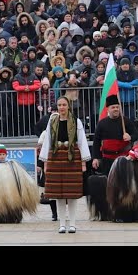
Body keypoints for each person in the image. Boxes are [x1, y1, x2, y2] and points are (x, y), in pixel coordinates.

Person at [39, 96, 91, 233]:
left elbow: (81, 141)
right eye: (59, 105)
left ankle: (72, 224)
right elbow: (47, 141)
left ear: (68, 106)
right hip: (56, 158)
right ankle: (62, 224)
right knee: (59, 194)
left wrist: (83, 163)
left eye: (64, 105)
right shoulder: (52, 121)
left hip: (71, 157)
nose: (61, 107)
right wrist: (45, 162)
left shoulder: (76, 121)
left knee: (72, 193)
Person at [0, 144, 38, 223]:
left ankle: (14, 217)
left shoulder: (12, 165)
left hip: (11, 192)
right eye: (0, 154)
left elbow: (22, 176)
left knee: (13, 203)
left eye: (3, 154)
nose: (2, 156)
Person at [92, 94, 137, 176]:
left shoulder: (126, 121)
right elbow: (96, 142)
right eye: (113, 107)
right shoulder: (101, 123)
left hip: (123, 159)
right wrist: (96, 158)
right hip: (107, 160)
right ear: (108, 109)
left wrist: (130, 137)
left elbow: (136, 135)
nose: (116, 109)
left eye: (117, 107)